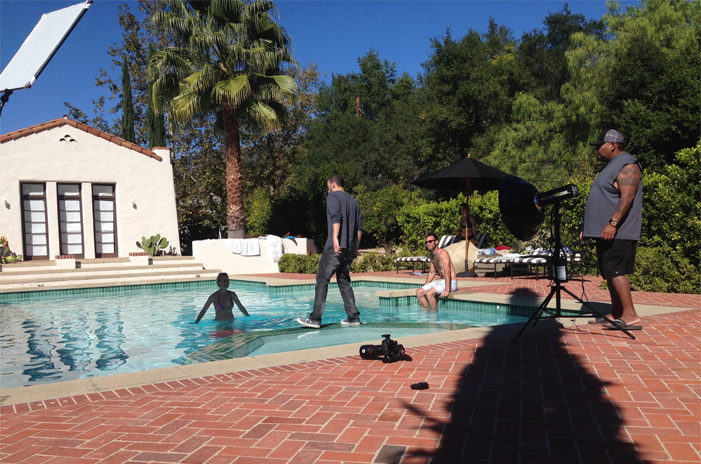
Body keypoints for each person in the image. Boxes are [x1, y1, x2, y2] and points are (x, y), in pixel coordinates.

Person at [581, 129, 643, 330]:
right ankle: (617, 312)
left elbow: (627, 197)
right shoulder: (612, 166)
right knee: (609, 272)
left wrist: (613, 224)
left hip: (619, 231)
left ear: (613, 145)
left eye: (600, 146)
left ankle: (630, 314)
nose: (597, 150)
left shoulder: (628, 164)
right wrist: (589, 228)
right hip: (604, 232)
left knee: (616, 271)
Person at [297, 175, 363, 328]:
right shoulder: (354, 202)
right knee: (344, 280)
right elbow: (359, 227)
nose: (328, 190)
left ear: (333, 184)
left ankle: (315, 318)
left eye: (328, 187)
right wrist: (356, 247)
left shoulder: (333, 197)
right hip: (349, 248)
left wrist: (334, 238)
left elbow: (336, 217)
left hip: (336, 247)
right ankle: (353, 317)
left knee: (322, 280)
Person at [416, 232, 458, 311]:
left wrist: (447, 290)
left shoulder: (443, 253)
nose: (428, 244)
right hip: (442, 281)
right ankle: (426, 313)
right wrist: (424, 287)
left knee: (429, 293)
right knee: (419, 292)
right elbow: (432, 273)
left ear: (436, 242)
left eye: (430, 241)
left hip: (451, 282)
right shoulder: (432, 255)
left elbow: (447, 271)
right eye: (427, 242)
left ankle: (434, 315)